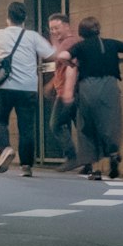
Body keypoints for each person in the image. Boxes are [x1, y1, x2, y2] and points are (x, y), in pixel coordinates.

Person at [0, 2, 55, 176]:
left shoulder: (1, 35)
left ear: (8, 18)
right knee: (26, 127)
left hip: (6, 87)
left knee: (0, 119)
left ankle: (5, 149)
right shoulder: (33, 37)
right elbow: (51, 54)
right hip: (28, 89)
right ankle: (26, 166)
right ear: (24, 19)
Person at [69, 17, 123, 181]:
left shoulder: (81, 46)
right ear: (98, 29)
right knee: (110, 123)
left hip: (88, 87)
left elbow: (64, 55)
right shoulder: (111, 43)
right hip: (110, 87)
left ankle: (92, 166)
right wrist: (121, 60)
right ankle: (113, 153)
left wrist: (73, 65)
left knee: (87, 125)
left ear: (81, 32)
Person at [45, 12, 79, 161]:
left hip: (67, 92)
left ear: (66, 26)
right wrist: (51, 84)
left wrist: (67, 91)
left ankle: (72, 156)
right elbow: (62, 68)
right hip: (66, 90)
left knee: (56, 124)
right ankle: (87, 163)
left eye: (56, 28)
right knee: (79, 125)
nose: (53, 32)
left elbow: (61, 59)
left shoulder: (69, 42)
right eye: (51, 29)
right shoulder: (68, 42)